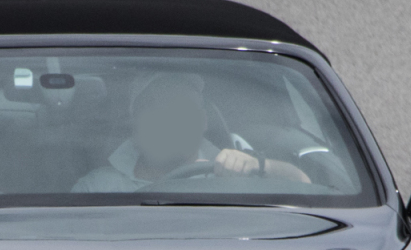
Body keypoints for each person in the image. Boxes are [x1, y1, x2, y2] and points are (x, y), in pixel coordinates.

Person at [72, 72, 311, 192]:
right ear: (135, 125)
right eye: (157, 109)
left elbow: (304, 187)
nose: (171, 119)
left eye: (182, 109)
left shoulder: (234, 179)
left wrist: (260, 167)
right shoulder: (98, 188)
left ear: (203, 120)